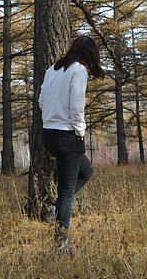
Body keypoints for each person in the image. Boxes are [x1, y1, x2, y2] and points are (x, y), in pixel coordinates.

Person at [38, 35, 106, 256]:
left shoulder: (52, 70)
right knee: (66, 192)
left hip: (49, 133)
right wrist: (80, 132)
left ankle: (54, 210)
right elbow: (77, 106)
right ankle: (61, 245)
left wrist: (52, 117)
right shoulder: (78, 70)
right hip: (67, 135)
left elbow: (40, 101)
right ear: (89, 54)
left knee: (86, 171)